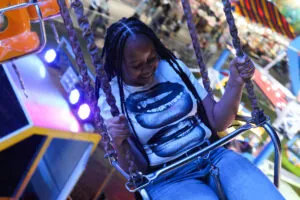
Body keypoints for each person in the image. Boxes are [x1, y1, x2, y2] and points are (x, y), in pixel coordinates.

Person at [97, 17, 284, 200]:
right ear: (118, 65)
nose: (147, 68)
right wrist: (118, 142)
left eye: (151, 58)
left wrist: (236, 82)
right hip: (167, 178)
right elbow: (137, 171)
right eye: (136, 65)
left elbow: (218, 121)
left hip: (214, 155)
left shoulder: (173, 68)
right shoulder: (111, 98)